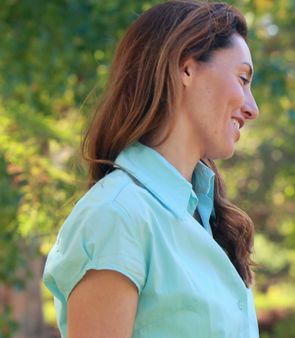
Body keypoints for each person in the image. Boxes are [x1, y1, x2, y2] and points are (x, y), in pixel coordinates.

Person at [43, 1, 260, 337]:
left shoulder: (204, 219)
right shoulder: (117, 216)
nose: (252, 108)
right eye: (242, 79)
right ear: (186, 68)